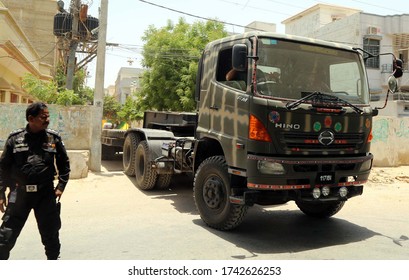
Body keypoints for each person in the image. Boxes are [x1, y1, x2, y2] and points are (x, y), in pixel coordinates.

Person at [0, 102, 70, 260]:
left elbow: (64, 164)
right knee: (4, 238)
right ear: (31, 119)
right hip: (19, 195)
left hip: (45, 195)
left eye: (48, 116)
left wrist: (61, 186)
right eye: (43, 117)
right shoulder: (14, 139)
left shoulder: (54, 138)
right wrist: (1, 193)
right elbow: (3, 168)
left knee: (51, 236)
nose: (47, 120)